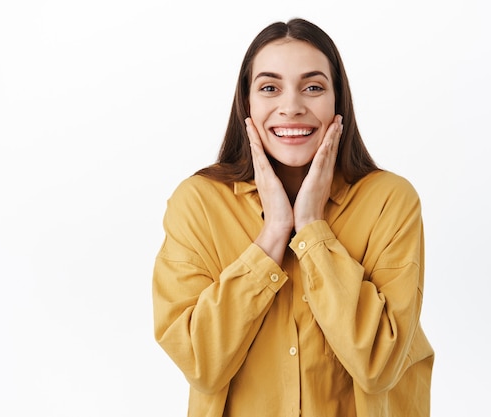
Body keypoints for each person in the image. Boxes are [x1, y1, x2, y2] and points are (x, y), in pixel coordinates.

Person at [152, 18, 434, 417]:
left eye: (313, 87)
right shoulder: (197, 203)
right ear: (246, 103)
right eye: (270, 87)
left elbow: (379, 365)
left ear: (338, 101)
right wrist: (272, 235)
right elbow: (200, 364)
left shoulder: (390, 201)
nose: (292, 106)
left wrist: (313, 230)